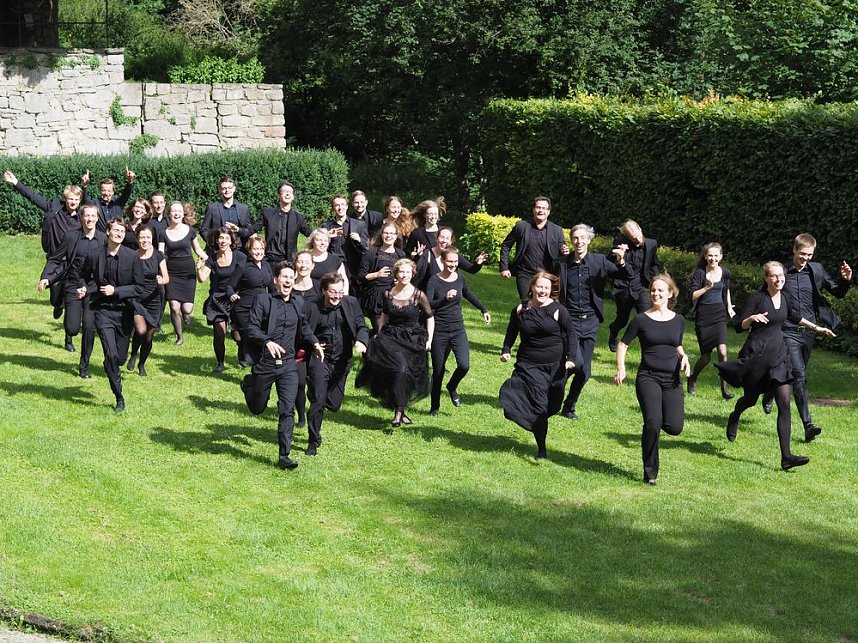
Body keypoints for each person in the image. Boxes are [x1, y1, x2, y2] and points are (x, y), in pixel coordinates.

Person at [715, 262, 835, 471]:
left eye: (781, 276)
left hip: (779, 356)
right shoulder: (757, 298)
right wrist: (750, 319)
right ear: (766, 278)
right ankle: (735, 415)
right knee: (750, 400)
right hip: (757, 356)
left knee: (784, 403)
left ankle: (786, 457)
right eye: (774, 276)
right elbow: (738, 326)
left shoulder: (786, 297)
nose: (779, 279)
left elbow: (795, 317)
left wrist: (817, 328)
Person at [761, 234, 853, 440]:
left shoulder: (816, 270)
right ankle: (807, 424)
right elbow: (765, 295)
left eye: (809, 255)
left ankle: (769, 391)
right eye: (802, 254)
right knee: (799, 377)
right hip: (787, 330)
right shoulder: (782, 272)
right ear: (794, 250)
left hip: (809, 331)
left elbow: (837, 292)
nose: (805, 259)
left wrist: (845, 281)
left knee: (792, 373)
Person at [241, 261, 322, 470]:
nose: (288, 281)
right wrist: (267, 342)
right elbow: (252, 328)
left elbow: (304, 327)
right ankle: (248, 385)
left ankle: (284, 455)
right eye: (284, 277)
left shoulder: (298, 302)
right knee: (257, 408)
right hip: (265, 364)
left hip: (288, 365)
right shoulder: (263, 299)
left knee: (287, 410)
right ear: (276, 279)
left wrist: (314, 343)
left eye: (291, 277)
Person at [614, 274, 690, 485]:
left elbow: (677, 345)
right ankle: (650, 472)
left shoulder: (679, 320)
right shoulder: (641, 319)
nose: (655, 294)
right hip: (648, 377)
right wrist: (621, 369)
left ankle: (656, 423)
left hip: (672, 380)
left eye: (660, 291)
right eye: (653, 291)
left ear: (670, 294)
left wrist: (684, 357)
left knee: (675, 427)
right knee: (653, 421)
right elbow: (623, 344)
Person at [554, 223, 629, 420]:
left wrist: (621, 262)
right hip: (568, 321)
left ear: (589, 240)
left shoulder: (599, 262)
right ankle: (552, 395)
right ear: (572, 240)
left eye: (582, 238)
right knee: (574, 363)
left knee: (584, 373)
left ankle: (568, 406)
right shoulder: (561, 263)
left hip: (590, 322)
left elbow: (626, 274)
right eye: (575, 238)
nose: (579, 242)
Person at [500, 271, 576, 460]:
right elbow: (511, 332)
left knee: (553, 407)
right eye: (539, 287)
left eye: (546, 288)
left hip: (556, 367)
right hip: (529, 365)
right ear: (532, 287)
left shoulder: (559, 310)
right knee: (540, 408)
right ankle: (541, 448)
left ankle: (530, 415)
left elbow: (572, 335)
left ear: (551, 290)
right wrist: (506, 350)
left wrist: (571, 357)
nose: (543, 291)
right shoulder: (520, 309)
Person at [356, 258, 434, 427]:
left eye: (407, 272)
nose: (404, 275)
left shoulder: (419, 295)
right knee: (397, 370)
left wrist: (429, 339)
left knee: (405, 372)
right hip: (391, 337)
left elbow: (430, 317)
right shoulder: (388, 293)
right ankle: (400, 411)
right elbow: (384, 314)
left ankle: (399, 412)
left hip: (412, 338)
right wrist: (378, 332)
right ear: (396, 274)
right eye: (401, 272)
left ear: (412, 274)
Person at [80, 217, 148, 412]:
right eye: (116, 230)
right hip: (103, 311)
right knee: (110, 355)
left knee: (119, 358)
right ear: (108, 232)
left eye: (122, 231)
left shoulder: (132, 256)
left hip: (125, 312)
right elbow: (84, 276)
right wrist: (83, 288)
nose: (119, 234)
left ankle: (112, 363)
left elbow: (140, 288)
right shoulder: (95, 255)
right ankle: (119, 397)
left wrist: (116, 291)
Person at [3, 169, 82, 337]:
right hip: (55, 259)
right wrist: (16, 183)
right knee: (54, 296)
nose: (73, 202)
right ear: (65, 199)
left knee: (71, 300)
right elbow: (33, 197)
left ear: (80, 201)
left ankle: (68, 339)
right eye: (70, 199)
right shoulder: (54, 208)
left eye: (76, 199)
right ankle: (57, 303)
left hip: (72, 263)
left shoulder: (83, 219)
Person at [304, 272, 369, 455]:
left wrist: (362, 341)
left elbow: (361, 325)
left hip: (341, 360)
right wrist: (314, 342)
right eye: (333, 292)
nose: (336, 296)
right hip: (320, 359)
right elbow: (304, 329)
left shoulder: (350, 303)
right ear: (324, 290)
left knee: (333, 404)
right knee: (318, 400)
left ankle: (317, 392)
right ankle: (313, 441)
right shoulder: (312, 307)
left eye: (340, 292)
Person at [38, 203, 105, 378]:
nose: (89, 219)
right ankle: (62, 306)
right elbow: (55, 259)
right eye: (86, 216)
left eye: (93, 216)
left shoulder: (103, 239)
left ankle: (84, 366)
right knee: (73, 328)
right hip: (73, 285)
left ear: (97, 218)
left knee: (89, 327)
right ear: (81, 218)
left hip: (93, 289)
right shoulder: (71, 236)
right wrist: (46, 277)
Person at [425, 247, 491, 416]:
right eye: (450, 262)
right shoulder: (434, 280)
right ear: (443, 261)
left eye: (455, 262)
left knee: (464, 365)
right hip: (440, 329)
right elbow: (427, 304)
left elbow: (468, 294)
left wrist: (483, 309)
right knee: (438, 371)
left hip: (457, 328)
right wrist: (444, 298)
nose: (453, 265)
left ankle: (452, 386)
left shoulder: (459, 278)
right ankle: (435, 407)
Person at [687, 243, 736, 399]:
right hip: (703, 318)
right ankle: (693, 377)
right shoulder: (700, 273)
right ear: (705, 256)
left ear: (721, 257)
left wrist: (729, 307)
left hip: (719, 316)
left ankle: (724, 388)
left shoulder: (725, 273)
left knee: (723, 352)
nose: (713, 258)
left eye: (716, 255)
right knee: (705, 357)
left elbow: (726, 290)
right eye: (710, 255)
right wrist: (706, 288)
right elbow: (692, 295)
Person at [499, 196, 568, 300]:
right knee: (527, 304)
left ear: (548, 211)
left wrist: (564, 250)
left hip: (547, 275)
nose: (541, 211)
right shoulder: (521, 226)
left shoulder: (556, 230)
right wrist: (504, 267)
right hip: (525, 274)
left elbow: (562, 248)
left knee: (546, 305)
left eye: (544, 208)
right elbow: (506, 245)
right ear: (533, 209)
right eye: (538, 207)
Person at [197, 227, 245, 373]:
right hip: (217, 300)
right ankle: (220, 363)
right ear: (216, 240)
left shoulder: (240, 257)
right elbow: (202, 279)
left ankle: (242, 354)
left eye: (226, 238)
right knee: (219, 333)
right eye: (220, 238)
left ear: (231, 240)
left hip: (235, 298)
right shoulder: (212, 257)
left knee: (238, 336)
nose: (223, 241)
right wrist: (198, 268)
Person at [607, 220, 659, 352]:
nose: (638, 240)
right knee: (622, 320)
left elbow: (653, 264)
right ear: (627, 237)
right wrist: (620, 257)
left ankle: (648, 348)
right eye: (633, 239)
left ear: (640, 229)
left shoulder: (651, 244)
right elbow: (612, 264)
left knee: (647, 317)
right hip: (624, 286)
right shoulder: (620, 244)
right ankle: (614, 330)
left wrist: (657, 280)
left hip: (642, 286)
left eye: (638, 236)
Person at [163, 202, 208, 345]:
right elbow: (159, 253)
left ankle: (186, 314)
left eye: (179, 211)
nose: (176, 214)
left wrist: (209, 259)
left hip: (187, 272)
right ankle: (180, 337)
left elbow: (198, 250)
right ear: (169, 213)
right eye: (173, 211)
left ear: (183, 213)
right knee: (174, 307)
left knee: (186, 308)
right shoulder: (163, 233)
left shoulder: (190, 231)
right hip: (171, 272)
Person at [126, 226, 168, 376]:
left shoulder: (158, 256)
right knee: (140, 330)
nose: (145, 240)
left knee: (149, 337)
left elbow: (166, 277)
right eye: (142, 237)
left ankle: (142, 364)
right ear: (137, 239)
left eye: (148, 238)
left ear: (152, 239)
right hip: (137, 299)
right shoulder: (132, 256)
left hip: (154, 300)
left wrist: (161, 280)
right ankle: (133, 354)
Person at [227, 237, 274, 367]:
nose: (258, 252)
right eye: (255, 249)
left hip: (262, 308)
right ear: (250, 250)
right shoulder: (243, 266)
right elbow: (230, 286)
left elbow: (272, 287)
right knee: (248, 335)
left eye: (261, 249)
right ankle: (249, 358)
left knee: (258, 335)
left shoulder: (267, 265)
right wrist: (232, 295)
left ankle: (253, 360)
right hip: (244, 308)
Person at [358, 223, 406, 333]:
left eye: (391, 233)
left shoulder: (401, 254)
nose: (388, 236)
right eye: (386, 233)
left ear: (396, 236)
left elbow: (406, 274)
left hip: (395, 296)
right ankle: (370, 343)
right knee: (380, 331)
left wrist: (399, 281)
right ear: (381, 235)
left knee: (392, 331)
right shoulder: (371, 253)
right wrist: (377, 274)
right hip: (376, 297)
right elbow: (360, 276)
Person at [291, 250, 321, 427]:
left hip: (317, 341)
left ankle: (315, 410)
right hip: (296, 343)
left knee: (316, 383)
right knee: (300, 382)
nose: (303, 265)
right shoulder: (289, 286)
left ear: (313, 265)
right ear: (295, 264)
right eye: (300, 262)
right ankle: (301, 415)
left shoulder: (319, 287)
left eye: (306, 262)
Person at [258, 182, 312, 274]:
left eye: (290, 192)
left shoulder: (298, 217)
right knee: (272, 288)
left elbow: (309, 233)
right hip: (271, 259)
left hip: (289, 261)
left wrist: (325, 234)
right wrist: (240, 230)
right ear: (279, 195)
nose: (287, 194)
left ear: (293, 196)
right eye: (284, 191)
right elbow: (253, 228)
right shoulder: (268, 213)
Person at [414, 226, 487, 290]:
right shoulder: (427, 254)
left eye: (447, 238)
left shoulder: (453, 255)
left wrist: (478, 263)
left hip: (448, 298)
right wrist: (418, 257)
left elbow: (472, 269)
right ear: (436, 238)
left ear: (451, 241)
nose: (444, 241)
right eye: (442, 237)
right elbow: (415, 276)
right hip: (429, 298)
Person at [320, 195, 367, 291]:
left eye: (342, 204)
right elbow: (317, 245)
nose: (340, 208)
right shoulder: (326, 226)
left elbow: (367, 247)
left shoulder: (359, 224)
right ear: (333, 208)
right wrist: (327, 236)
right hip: (334, 265)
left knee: (354, 295)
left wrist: (360, 240)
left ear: (347, 206)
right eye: (337, 205)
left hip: (353, 267)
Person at [200, 176, 254, 253]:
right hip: (217, 251)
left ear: (234, 188)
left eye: (229, 187)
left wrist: (239, 230)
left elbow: (249, 230)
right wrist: (214, 243)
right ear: (219, 190)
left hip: (239, 250)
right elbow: (203, 230)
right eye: (224, 188)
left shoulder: (243, 208)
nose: (227, 190)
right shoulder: (212, 208)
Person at [81, 168, 135, 232]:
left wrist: (129, 182)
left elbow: (126, 193)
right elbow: (85, 201)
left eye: (109, 191)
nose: (106, 193)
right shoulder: (95, 203)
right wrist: (84, 186)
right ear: (100, 191)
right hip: (100, 239)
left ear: (113, 192)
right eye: (103, 190)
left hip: (116, 238)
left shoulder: (118, 203)